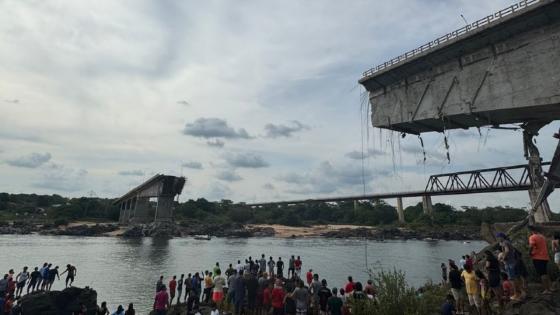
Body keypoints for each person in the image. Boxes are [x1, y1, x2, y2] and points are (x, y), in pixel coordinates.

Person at [496, 232, 525, 300]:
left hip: (509, 263)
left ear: (501, 237)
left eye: (498, 237)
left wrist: (503, 258)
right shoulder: (507, 242)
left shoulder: (505, 243)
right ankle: (521, 292)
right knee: (515, 278)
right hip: (512, 262)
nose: (497, 239)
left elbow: (507, 250)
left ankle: (516, 294)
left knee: (512, 279)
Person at [528, 225, 552, 293]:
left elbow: (531, 246)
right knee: (545, 273)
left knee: (542, 274)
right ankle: (550, 288)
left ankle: (546, 289)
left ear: (531, 230)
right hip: (545, 257)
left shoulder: (532, 237)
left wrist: (529, 253)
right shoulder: (542, 237)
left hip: (538, 257)